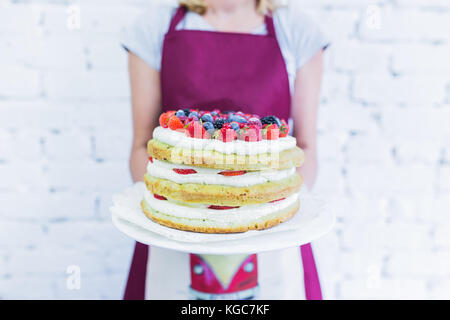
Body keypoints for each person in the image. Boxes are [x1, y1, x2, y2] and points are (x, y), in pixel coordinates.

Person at [121, 0, 329, 300]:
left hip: (273, 241)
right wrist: (185, 213)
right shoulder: (152, 28)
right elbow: (142, 147)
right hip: (173, 233)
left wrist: (264, 211)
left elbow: (306, 148)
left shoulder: (296, 30)